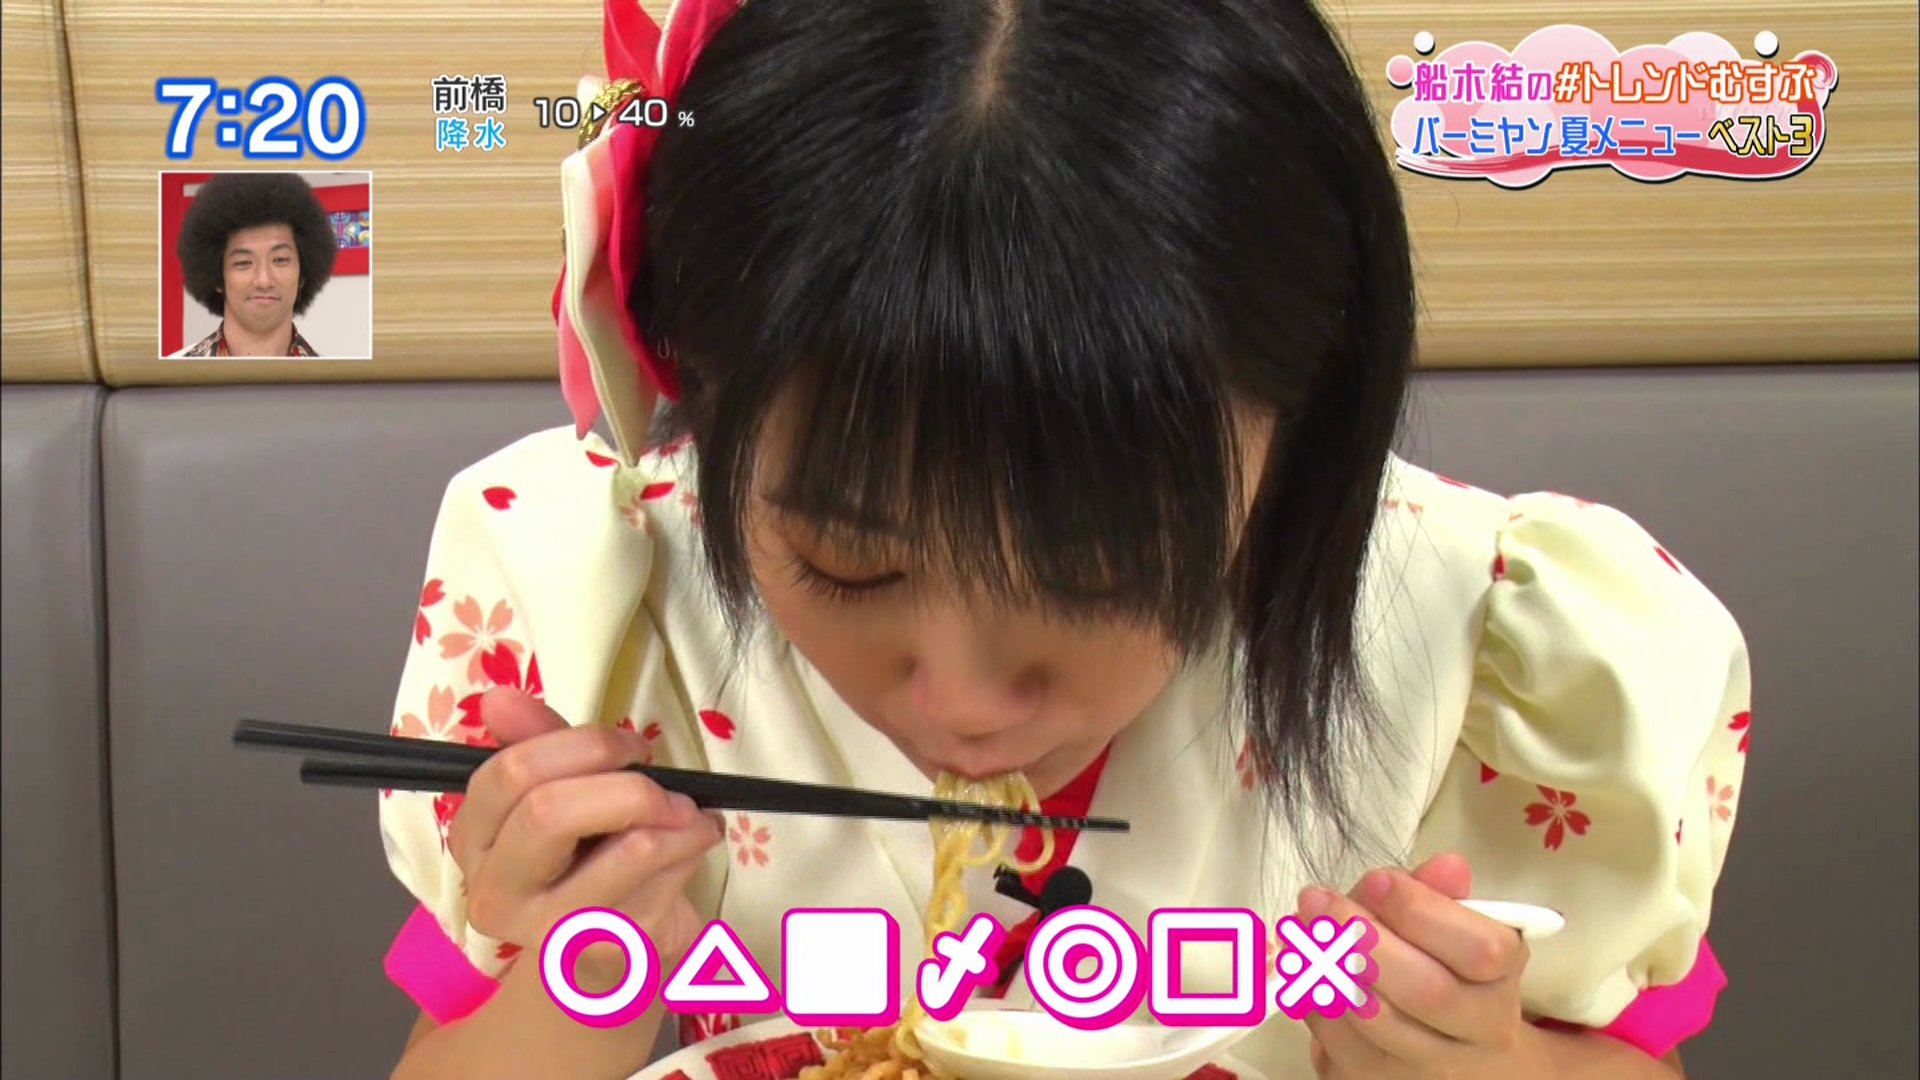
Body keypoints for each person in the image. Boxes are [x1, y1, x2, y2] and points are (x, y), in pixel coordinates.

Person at [380, 1, 1750, 1077]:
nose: (965, 704)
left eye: (1098, 571)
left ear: (1294, 409)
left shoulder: (1479, 644)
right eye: (850, 563)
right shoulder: (605, 614)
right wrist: (582, 974)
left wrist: (1480, 1059)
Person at [170, 172, 332, 357]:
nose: (264, 280)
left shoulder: (335, 375)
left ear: (302, 274)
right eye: (243, 262)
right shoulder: (173, 371)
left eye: (280, 260)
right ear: (217, 278)